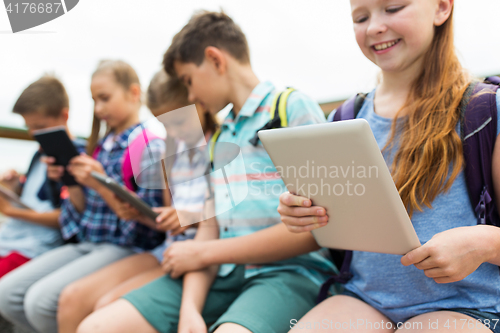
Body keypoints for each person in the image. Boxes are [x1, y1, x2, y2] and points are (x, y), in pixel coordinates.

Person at [76, 10, 336, 333]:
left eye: (188, 80)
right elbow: (211, 226)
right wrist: (189, 309)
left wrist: (202, 252)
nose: (191, 96)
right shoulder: (222, 137)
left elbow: (321, 228)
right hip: (219, 272)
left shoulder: (290, 108)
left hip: (287, 273)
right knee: (97, 326)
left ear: (215, 60)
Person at [277, 0, 500, 332]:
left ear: (441, 8)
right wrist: (302, 213)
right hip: (364, 299)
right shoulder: (344, 118)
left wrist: (484, 243)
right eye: (360, 17)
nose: (374, 27)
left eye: (393, 8)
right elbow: (333, 223)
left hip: (467, 308)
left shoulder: (484, 110)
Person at [0, 60, 165, 333]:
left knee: (41, 303)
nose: (98, 109)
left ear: (134, 94)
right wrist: (72, 182)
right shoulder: (100, 146)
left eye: (105, 99)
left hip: (125, 246)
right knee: (8, 295)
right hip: (88, 241)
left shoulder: (146, 145)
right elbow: (80, 215)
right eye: (94, 101)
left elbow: (150, 226)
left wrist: (102, 184)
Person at [56, 70, 217, 333]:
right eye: (164, 125)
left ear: (197, 102)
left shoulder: (218, 146)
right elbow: (167, 218)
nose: (172, 132)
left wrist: (188, 217)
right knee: (88, 301)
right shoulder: (171, 151)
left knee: (105, 307)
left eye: (177, 122)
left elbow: (221, 216)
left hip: (199, 254)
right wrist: (141, 213)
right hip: (168, 249)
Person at [0, 75, 85, 279]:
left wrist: (11, 212)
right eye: (29, 127)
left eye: (39, 127)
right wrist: (11, 187)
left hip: (36, 248)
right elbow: (31, 196)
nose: (34, 133)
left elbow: (66, 217)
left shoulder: (78, 158)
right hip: (12, 239)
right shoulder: (39, 154)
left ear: (64, 116)